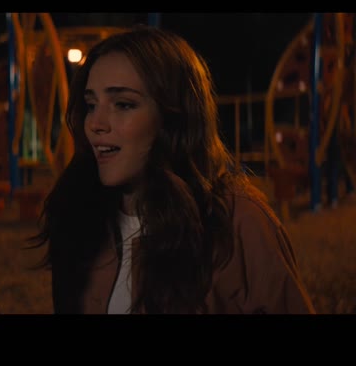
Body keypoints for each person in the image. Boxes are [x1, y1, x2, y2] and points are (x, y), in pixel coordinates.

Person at [31, 25, 315, 314]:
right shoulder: (77, 218)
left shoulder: (238, 224)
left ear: (172, 116)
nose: (95, 123)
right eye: (91, 104)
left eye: (123, 104)